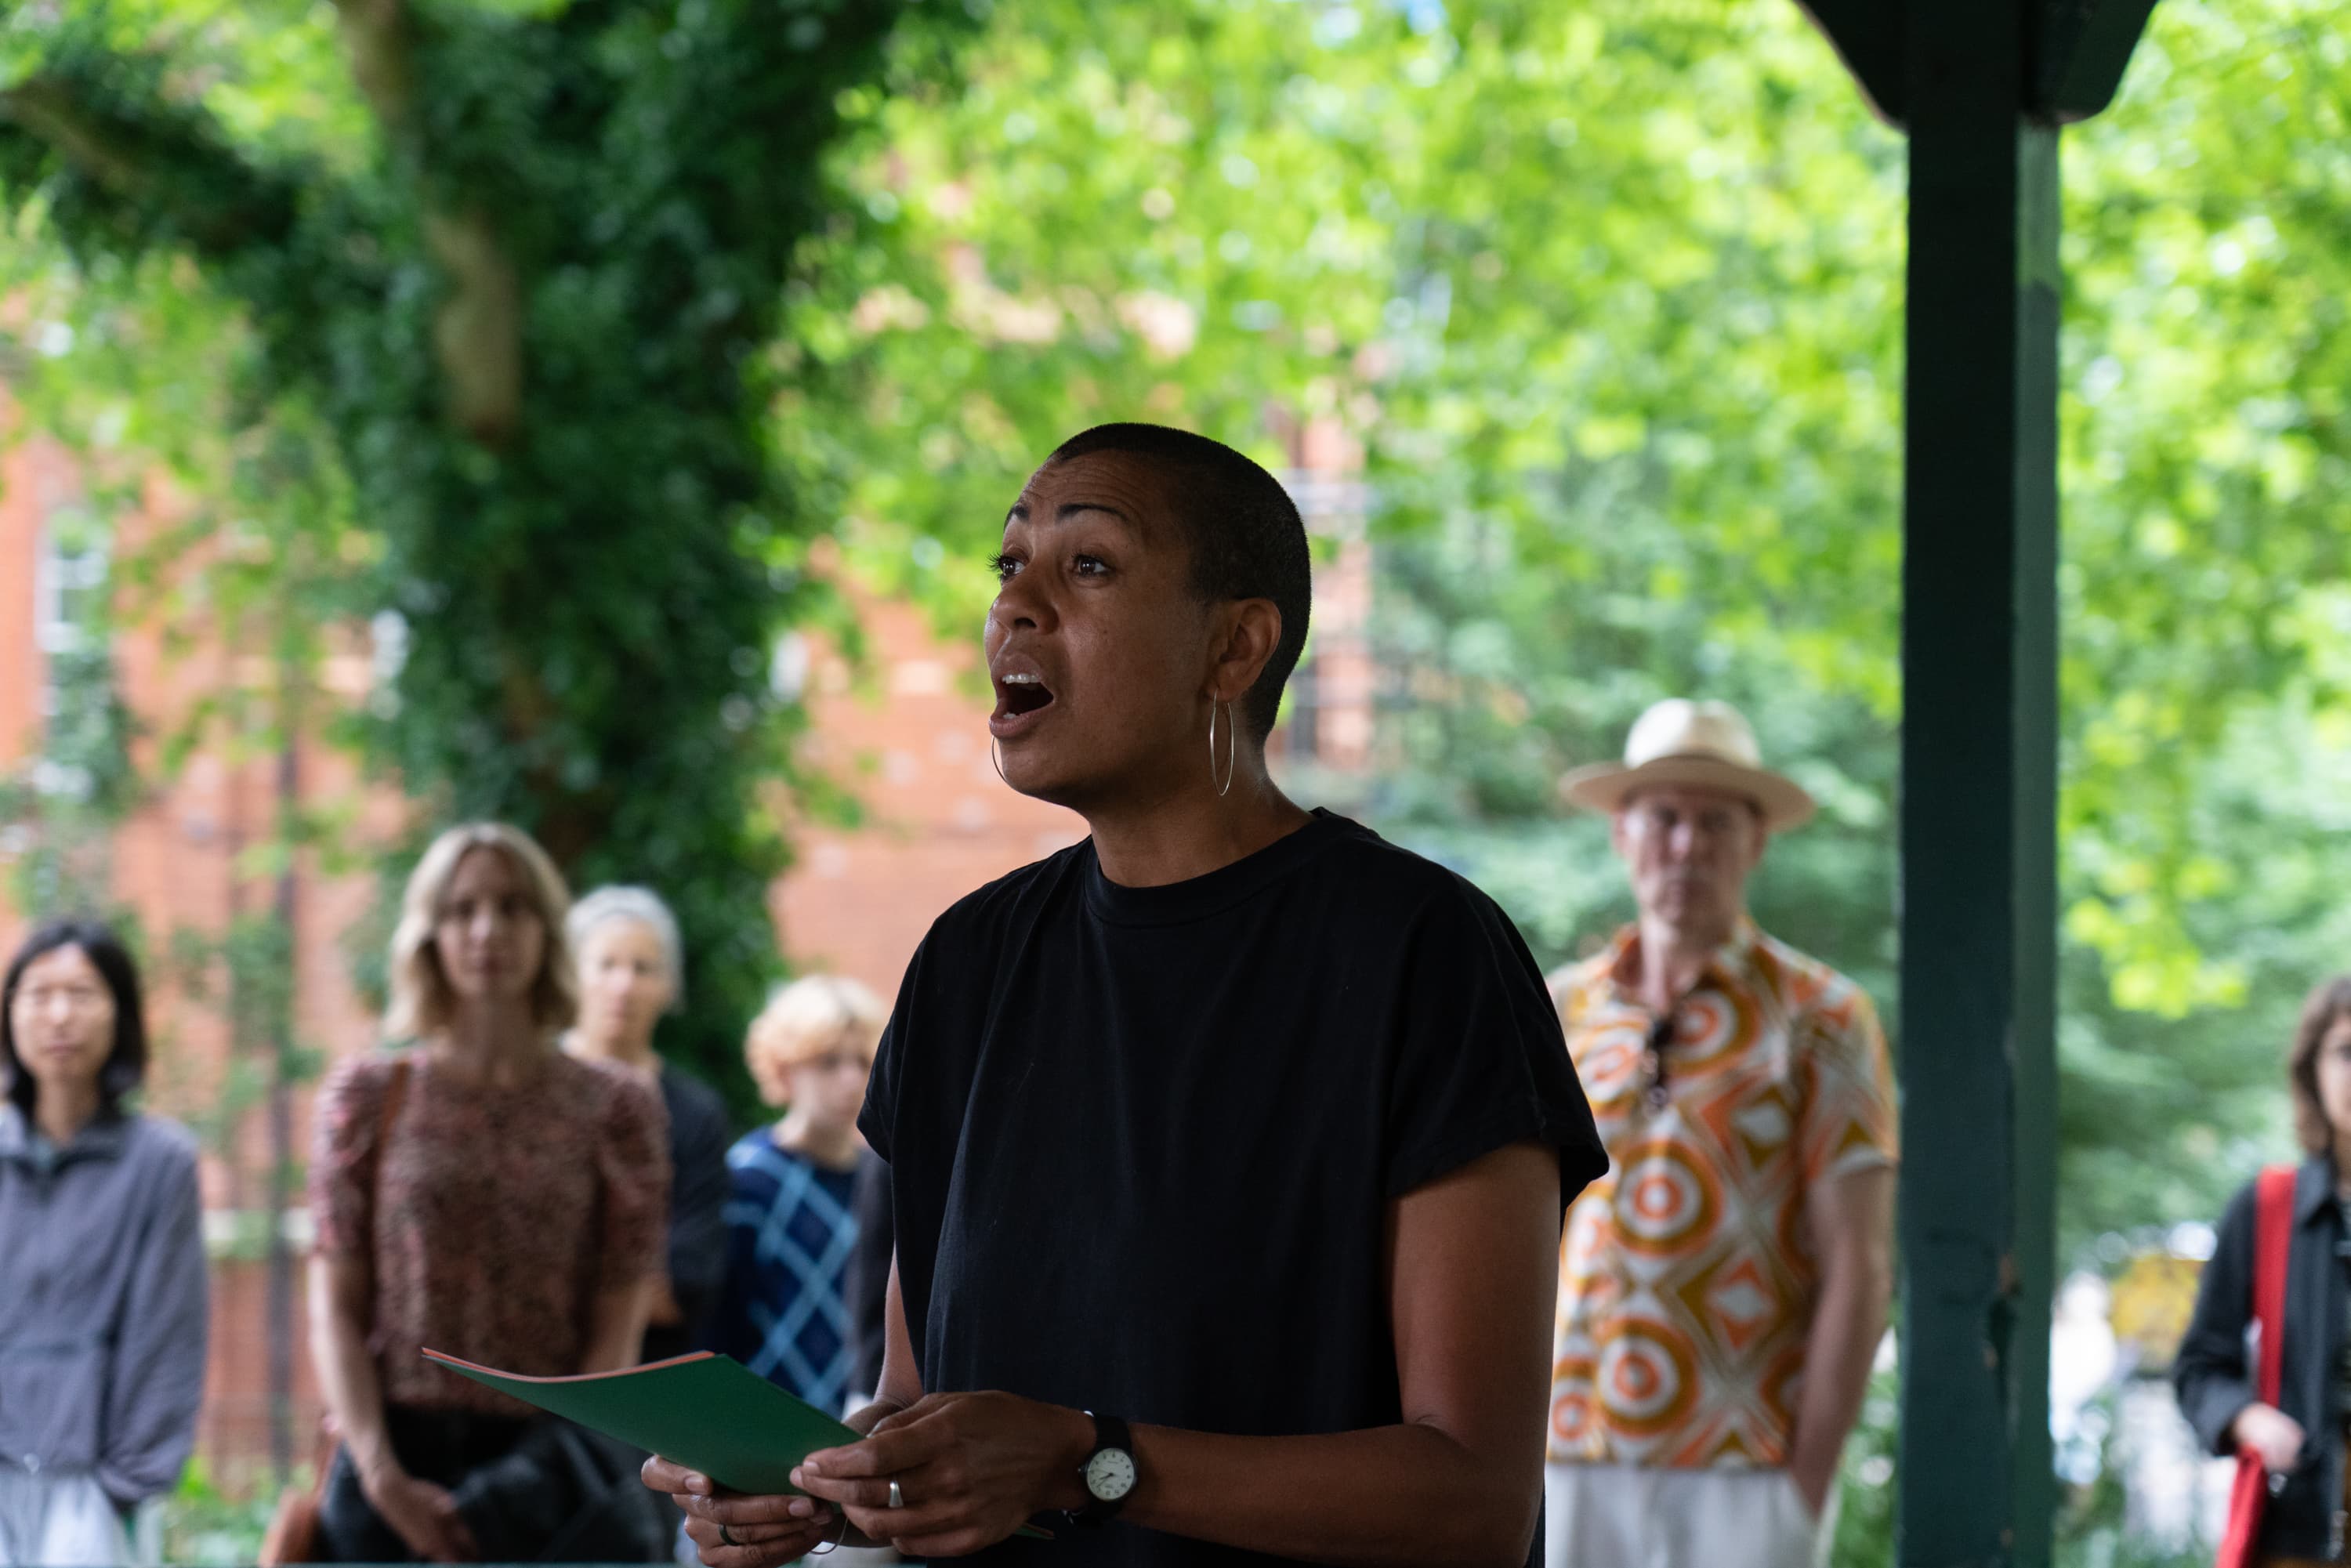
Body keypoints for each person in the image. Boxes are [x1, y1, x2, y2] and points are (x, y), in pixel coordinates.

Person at [643, 422, 1606, 1568]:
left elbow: (1475, 1503)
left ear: (1234, 646)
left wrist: (1086, 1459)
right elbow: (915, 1409)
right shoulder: (967, 963)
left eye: (1087, 564)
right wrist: (815, 1491)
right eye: (1010, 565)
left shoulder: (1425, 955)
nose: (1017, 605)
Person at [1541, 698, 1897, 1568]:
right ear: (1623, 834)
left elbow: (1861, 1260)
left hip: (1745, 1466)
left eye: (1715, 821)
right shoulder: (1559, 1009)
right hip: (1563, 1450)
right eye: (1662, 816)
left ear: (1757, 840)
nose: (1686, 845)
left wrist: (1805, 1481)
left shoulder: (1820, 1016)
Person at [308, 823, 672, 1563]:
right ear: (428, 933)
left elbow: (616, 1331)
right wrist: (381, 1476)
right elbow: (335, 1306)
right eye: (461, 908)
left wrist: (512, 1495)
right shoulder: (371, 1094)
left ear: (547, 927)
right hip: (393, 1462)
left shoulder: (615, 1107)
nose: (487, 929)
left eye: (513, 906)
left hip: (556, 1475)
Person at [0, 920, 208, 1567]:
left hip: (94, 1495)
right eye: (39, 994)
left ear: (121, 1013)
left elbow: (168, 1336)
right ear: (11, 1015)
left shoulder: (161, 1164)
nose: (60, 1014)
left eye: (83, 993)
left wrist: (121, 1488)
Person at [2175, 976, 2351, 1565]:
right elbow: (2201, 1365)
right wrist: (2248, 1416)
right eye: (2346, 1051)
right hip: (2296, 1532)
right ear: (2313, 1071)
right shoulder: (2267, 1206)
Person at [564, 885, 734, 1365]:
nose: (624, 984)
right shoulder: (523, 1092)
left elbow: (686, 1290)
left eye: (644, 968)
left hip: (644, 1379)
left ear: (669, 986)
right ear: (570, 975)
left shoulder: (696, 1113)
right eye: (606, 964)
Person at [710, 976, 883, 1412]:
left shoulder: (883, 1179)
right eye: (827, 1062)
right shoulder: (748, 1177)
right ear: (784, 1068)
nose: (850, 1079)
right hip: (765, 1422)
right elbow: (720, 1322)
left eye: (863, 1061)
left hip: (864, 1425)